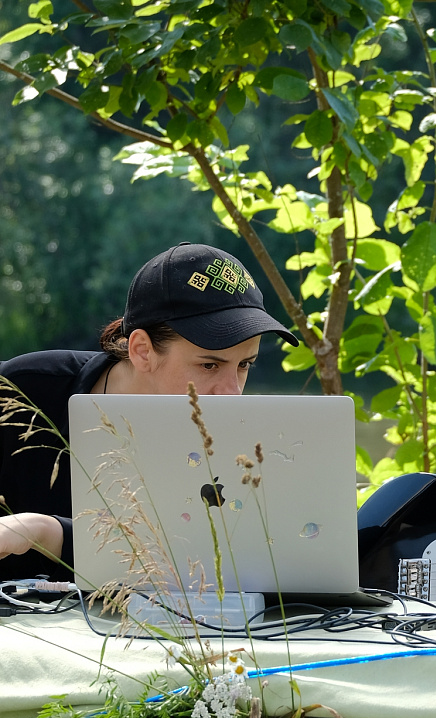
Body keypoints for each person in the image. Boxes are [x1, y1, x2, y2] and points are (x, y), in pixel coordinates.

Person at [0, 243, 297, 582]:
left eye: (244, 365)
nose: (231, 392)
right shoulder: (22, 392)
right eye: (210, 365)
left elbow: (190, 563)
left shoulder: (244, 441)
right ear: (142, 350)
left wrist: (46, 532)